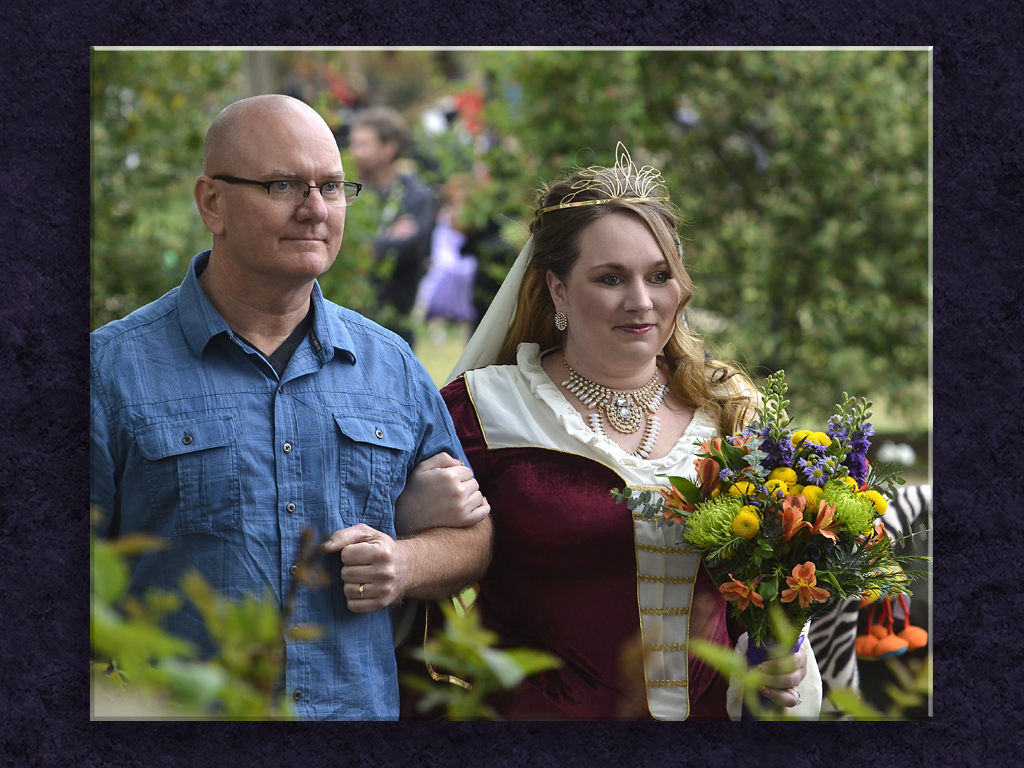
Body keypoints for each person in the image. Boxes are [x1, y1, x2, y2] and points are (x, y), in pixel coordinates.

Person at [90, 94, 491, 721]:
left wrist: (407, 561)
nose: (314, 210)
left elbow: (473, 538)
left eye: (331, 187)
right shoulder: (110, 371)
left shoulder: (390, 366)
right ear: (211, 203)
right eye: (283, 185)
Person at [432, 145, 822, 720]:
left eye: (659, 276)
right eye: (611, 278)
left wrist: (778, 668)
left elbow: (763, 597)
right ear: (559, 290)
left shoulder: (731, 411)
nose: (641, 302)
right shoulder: (483, 410)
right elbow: (422, 573)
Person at [348, 106, 437, 347]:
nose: (354, 152)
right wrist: (386, 239)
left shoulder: (416, 196)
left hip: (396, 321)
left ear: (388, 149)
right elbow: (343, 244)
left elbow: (409, 247)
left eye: (363, 144)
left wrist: (366, 247)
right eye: (353, 144)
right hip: (349, 314)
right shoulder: (348, 191)